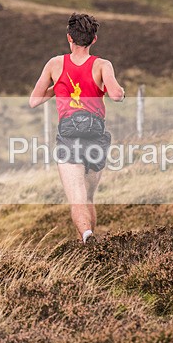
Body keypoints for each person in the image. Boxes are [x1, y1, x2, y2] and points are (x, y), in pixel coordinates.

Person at [29, 13, 125, 243]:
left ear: (69, 38)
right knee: (88, 198)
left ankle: (87, 236)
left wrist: (57, 88)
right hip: (96, 135)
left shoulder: (55, 64)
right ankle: (90, 244)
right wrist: (117, 89)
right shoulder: (102, 65)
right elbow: (116, 95)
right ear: (94, 40)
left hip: (69, 136)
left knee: (77, 199)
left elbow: (34, 100)